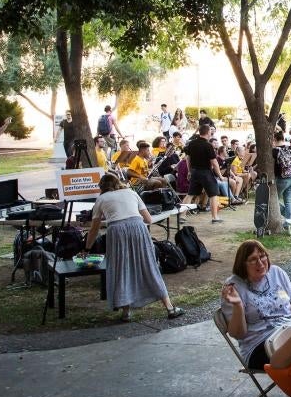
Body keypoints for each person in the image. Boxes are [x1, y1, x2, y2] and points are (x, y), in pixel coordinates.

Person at [83, 173, 184, 322]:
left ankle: (126, 312)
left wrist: (87, 248)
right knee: (149, 266)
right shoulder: (131, 192)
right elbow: (148, 219)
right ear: (118, 182)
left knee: (122, 268)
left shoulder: (101, 199)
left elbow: (94, 229)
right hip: (138, 228)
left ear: (102, 187)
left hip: (117, 231)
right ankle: (169, 307)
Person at [221, 240, 291, 370]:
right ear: (242, 264)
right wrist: (238, 306)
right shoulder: (234, 287)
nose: (260, 263)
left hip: (290, 332)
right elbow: (238, 334)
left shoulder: (277, 273)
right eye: (253, 259)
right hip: (260, 346)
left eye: (262, 256)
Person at [183, 124, 224, 223]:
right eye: (210, 131)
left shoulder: (192, 143)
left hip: (195, 172)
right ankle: (215, 218)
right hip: (205, 172)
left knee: (190, 194)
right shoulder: (208, 145)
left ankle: (182, 216)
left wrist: (189, 171)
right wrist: (220, 175)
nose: (211, 132)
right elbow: (214, 162)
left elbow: (187, 158)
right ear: (208, 132)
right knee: (213, 194)